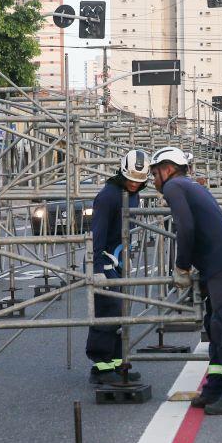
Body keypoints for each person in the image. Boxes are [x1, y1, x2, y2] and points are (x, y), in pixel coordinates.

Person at [151, 146, 222, 416]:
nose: (153, 179)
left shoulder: (174, 187)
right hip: (217, 264)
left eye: (155, 172)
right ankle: (215, 388)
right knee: (215, 327)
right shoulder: (189, 185)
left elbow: (186, 227)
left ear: (168, 169)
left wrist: (181, 265)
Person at [86, 150, 150, 385]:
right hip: (104, 260)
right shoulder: (108, 196)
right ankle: (101, 367)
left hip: (119, 259)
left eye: (139, 181)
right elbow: (98, 233)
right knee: (107, 310)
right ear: (122, 173)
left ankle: (114, 362)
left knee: (119, 311)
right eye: (131, 179)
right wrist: (97, 267)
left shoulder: (132, 194)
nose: (135, 184)